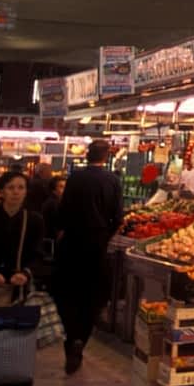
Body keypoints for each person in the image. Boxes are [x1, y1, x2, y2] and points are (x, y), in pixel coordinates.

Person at [54, 142, 122, 374]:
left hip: (72, 243)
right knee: (92, 298)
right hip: (97, 246)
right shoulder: (113, 181)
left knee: (69, 293)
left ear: (87, 155)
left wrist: (62, 232)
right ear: (106, 156)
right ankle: (80, 338)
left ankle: (71, 335)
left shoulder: (75, 178)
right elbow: (118, 216)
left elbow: (63, 211)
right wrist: (105, 236)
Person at [0, 170, 43, 310]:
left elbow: (37, 254)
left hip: (19, 288)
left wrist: (26, 273)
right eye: (11, 187)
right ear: (1, 192)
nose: (16, 192)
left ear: (26, 192)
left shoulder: (33, 220)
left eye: (21, 188)